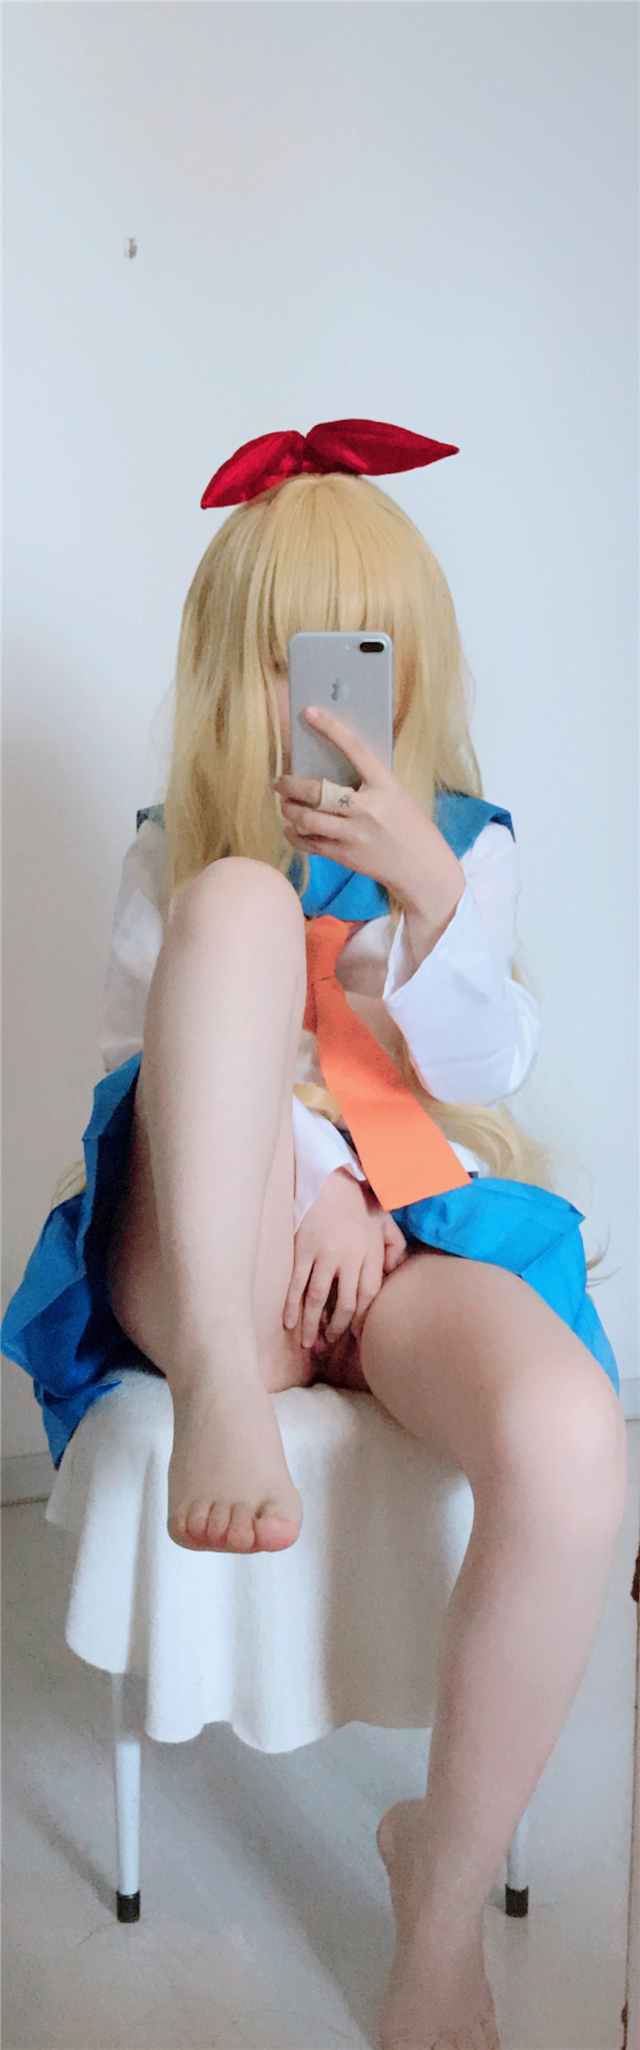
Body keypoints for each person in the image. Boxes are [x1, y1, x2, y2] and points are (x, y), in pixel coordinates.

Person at [2, 420, 628, 2050]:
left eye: (367, 660)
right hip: (213, 1259)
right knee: (238, 909)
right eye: (299, 664)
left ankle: (443, 1887)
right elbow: (154, 1083)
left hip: (399, 1240)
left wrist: (432, 898)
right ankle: (224, 1381)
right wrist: (313, 1170)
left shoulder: (466, 852)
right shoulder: (173, 851)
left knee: (571, 1435)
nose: (333, 702)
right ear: (240, 677)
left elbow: (484, 1069)